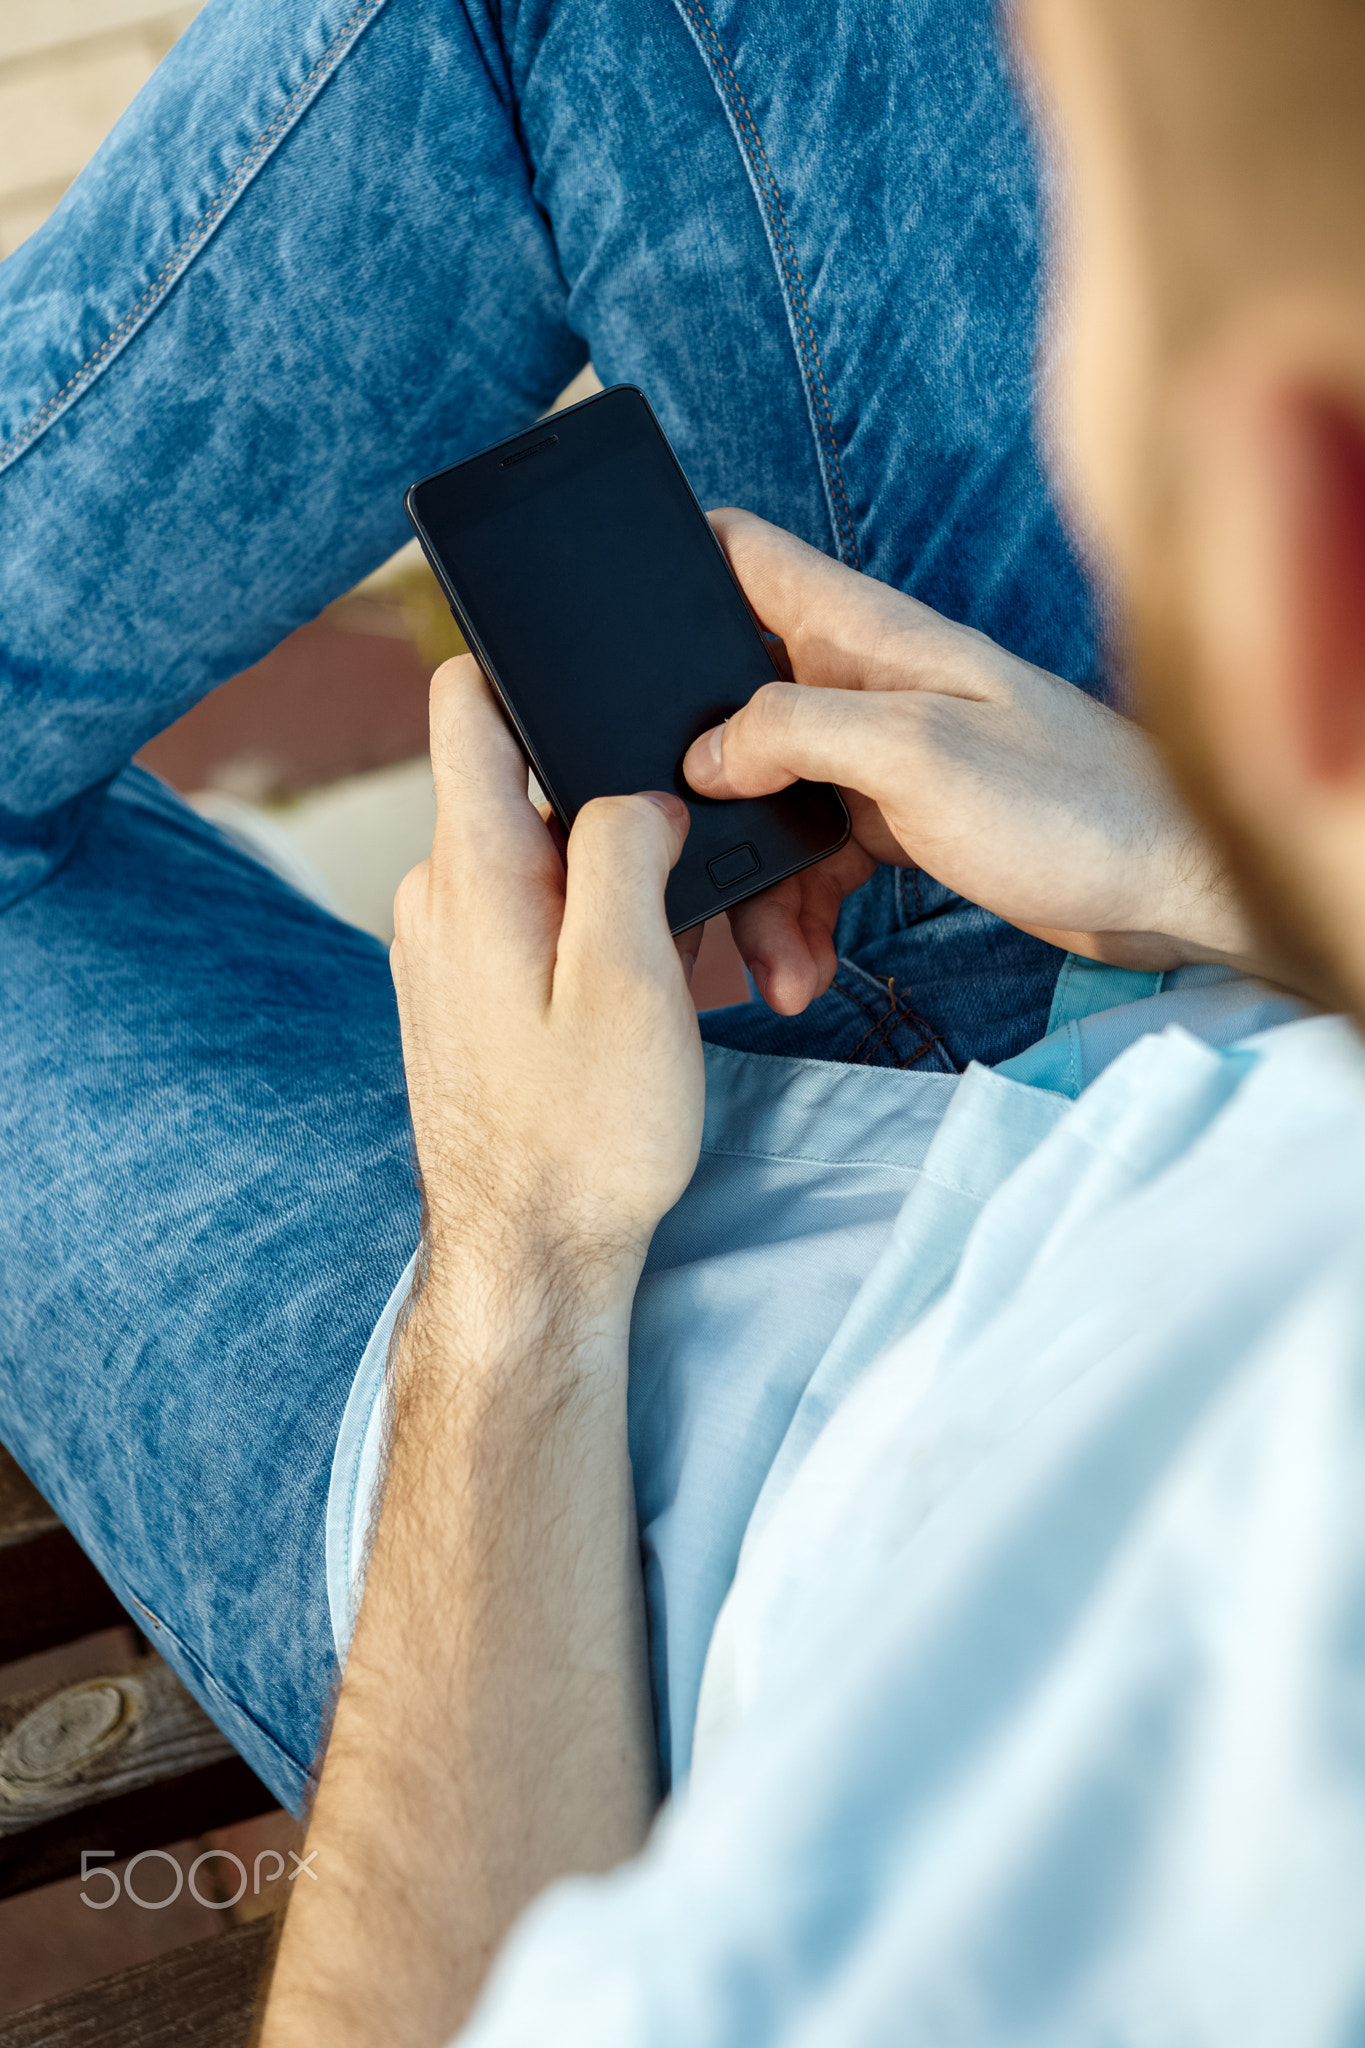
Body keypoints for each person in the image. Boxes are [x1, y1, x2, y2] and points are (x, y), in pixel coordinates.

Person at [254, 0, 1363, 2039]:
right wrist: (1215, 856)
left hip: (600, 1474)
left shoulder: (1051, 1841)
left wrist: (516, 1259)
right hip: (1155, 982)